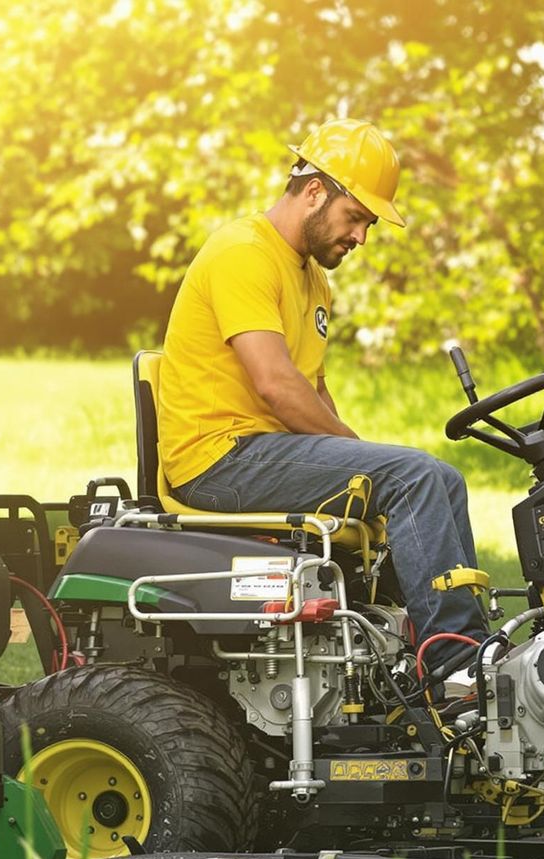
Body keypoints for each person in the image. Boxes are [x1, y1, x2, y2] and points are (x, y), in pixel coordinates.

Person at [156, 118, 486, 669]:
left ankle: (421, 652)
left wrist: (367, 461)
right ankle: (456, 671)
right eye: (355, 217)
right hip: (217, 459)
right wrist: (373, 461)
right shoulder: (244, 253)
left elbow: (315, 390)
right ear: (314, 191)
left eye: (368, 224)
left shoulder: (312, 277)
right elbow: (278, 387)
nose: (361, 237)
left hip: (261, 452)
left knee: (440, 478)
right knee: (413, 475)